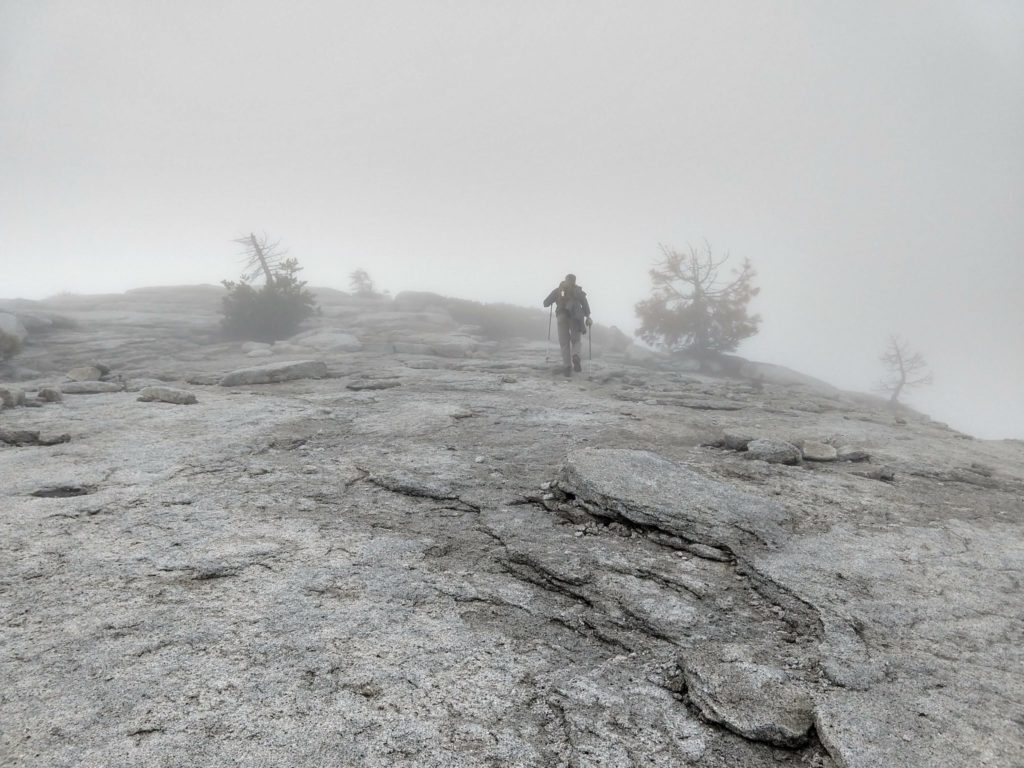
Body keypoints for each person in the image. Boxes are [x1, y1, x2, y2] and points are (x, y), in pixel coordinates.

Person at [543, 273, 592, 376]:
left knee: (564, 343)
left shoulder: (558, 290)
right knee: (576, 340)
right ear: (575, 281)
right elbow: (585, 305)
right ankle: (575, 355)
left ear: (565, 280)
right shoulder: (578, 291)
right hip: (575, 318)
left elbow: (545, 303)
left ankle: (567, 367)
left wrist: (554, 300)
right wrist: (587, 316)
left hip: (561, 316)